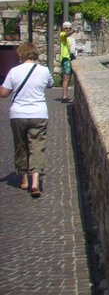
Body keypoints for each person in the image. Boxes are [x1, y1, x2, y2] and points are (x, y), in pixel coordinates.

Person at [0, 42, 54, 197]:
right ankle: (35, 182)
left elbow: (4, 93)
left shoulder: (14, 71)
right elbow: (50, 85)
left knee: (21, 146)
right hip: (39, 114)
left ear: (20, 54)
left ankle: (24, 180)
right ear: (35, 54)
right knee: (37, 147)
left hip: (18, 114)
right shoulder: (44, 71)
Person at [59, 21, 76, 103]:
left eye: (70, 28)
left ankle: (66, 96)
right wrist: (73, 31)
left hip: (71, 58)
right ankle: (64, 96)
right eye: (66, 28)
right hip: (66, 58)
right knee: (66, 78)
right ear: (63, 29)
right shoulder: (62, 35)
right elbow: (66, 35)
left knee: (69, 78)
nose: (68, 30)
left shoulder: (72, 38)